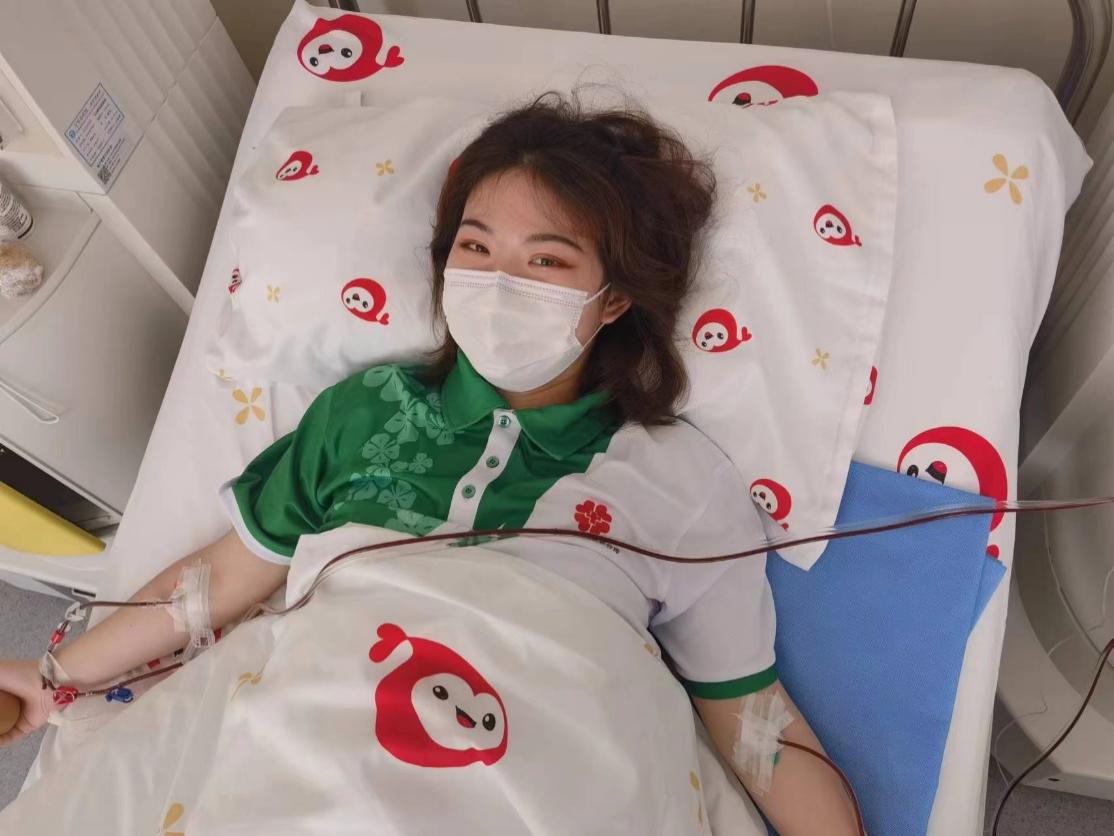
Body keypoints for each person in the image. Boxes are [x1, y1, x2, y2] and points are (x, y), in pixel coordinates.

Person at [0, 93, 859, 834]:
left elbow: (754, 724)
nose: (498, 281)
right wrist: (51, 675)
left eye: (547, 260)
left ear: (616, 300)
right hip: (316, 721)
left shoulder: (679, 478)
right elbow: (219, 580)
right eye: (475, 249)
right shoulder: (366, 409)